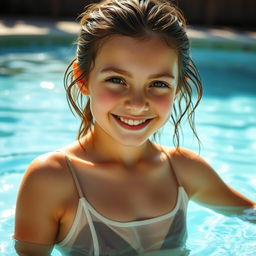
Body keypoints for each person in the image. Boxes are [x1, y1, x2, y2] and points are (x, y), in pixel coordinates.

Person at [13, 0, 256, 255]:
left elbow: (250, 215)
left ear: (178, 88)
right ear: (82, 79)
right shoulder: (52, 179)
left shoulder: (185, 170)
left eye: (159, 84)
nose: (138, 104)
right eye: (116, 80)